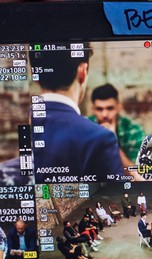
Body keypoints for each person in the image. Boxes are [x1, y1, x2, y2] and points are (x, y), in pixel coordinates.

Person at [30, 45, 123, 183]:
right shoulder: (100, 138)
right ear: (82, 72)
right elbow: (115, 199)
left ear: (34, 75)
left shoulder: (18, 127)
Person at [87, 83, 145, 174]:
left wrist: (112, 142)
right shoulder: (85, 126)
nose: (104, 115)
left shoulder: (133, 130)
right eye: (99, 109)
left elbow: (135, 174)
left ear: (119, 108)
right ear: (93, 109)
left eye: (110, 108)